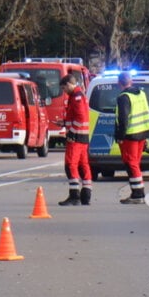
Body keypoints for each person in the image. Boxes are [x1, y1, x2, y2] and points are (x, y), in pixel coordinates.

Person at [114, 71, 149, 204]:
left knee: (131, 163)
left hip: (130, 134)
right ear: (131, 81)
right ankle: (138, 192)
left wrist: (120, 136)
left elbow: (123, 119)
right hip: (142, 132)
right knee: (135, 164)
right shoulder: (141, 94)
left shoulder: (123, 97)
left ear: (119, 83)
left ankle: (138, 194)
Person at [58, 74, 93, 206]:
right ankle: (86, 194)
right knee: (83, 165)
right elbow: (77, 118)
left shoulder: (76, 97)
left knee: (70, 164)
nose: (64, 91)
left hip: (77, 136)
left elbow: (80, 117)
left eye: (64, 88)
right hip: (83, 136)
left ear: (68, 84)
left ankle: (75, 196)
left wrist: (71, 132)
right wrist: (64, 123)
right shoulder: (79, 95)